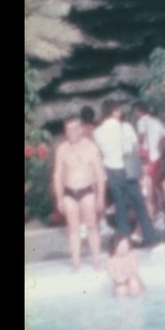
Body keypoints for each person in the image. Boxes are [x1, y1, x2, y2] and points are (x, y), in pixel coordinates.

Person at [94, 100, 160, 247]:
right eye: (119, 110)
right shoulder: (125, 127)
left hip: (111, 172)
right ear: (115, 111)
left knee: (120, 207)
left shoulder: (97, 132)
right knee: (139, 205)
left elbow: (98, 154)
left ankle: (123, 241)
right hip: (128, 171)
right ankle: (151, 238)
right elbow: (135, 147)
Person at [52, 116, 106, 272]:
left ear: (81, 129)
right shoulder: (62, 149)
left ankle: (96, 259)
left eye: (74, 128)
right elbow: (58, 175)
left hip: (87, 190)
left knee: (92, 226)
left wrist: (101, 197)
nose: (71, 132)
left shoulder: (91, 147)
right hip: (69, 192)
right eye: (68, 129)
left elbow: (99, 174)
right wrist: (59, 198)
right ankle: (76, 262)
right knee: (73, 229)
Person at [134, 102, 165, 225]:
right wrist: (161, 149)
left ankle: (152, 214)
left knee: (148, 187)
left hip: (147, 158)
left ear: (138, 111)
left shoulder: (141, 122)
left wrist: (136, 148)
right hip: (158, 157)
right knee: (155, 185)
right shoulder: (156, 121)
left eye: (135, 111)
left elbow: (142, 137)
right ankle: (162, 210)